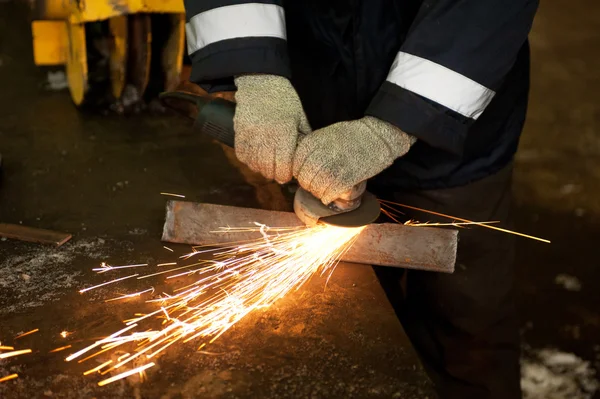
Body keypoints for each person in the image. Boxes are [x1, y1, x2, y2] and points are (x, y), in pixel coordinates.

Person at [183, 1, 539, 397]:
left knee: (469, 322)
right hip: (306, 96)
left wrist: (399, 123)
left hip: (454, 126)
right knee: (338, 320)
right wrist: (257, 71)